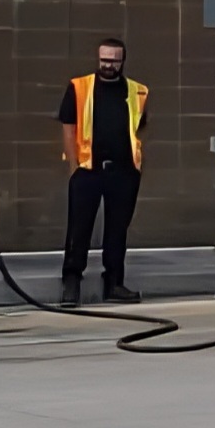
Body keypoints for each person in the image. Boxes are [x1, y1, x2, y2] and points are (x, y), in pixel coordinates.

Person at [58, 38, 147, 306]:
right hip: (87, 170)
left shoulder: (138, 91)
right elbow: (68, 125)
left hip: (123, 172)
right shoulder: (79, 87)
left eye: (113, 61)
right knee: (78, 228)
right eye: (103, 60)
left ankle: (114, 283)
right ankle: (71, 283)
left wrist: (134, 167)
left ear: (122, 61)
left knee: (117, 230)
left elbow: (138, 128)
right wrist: (74, 166)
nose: (107, 65)